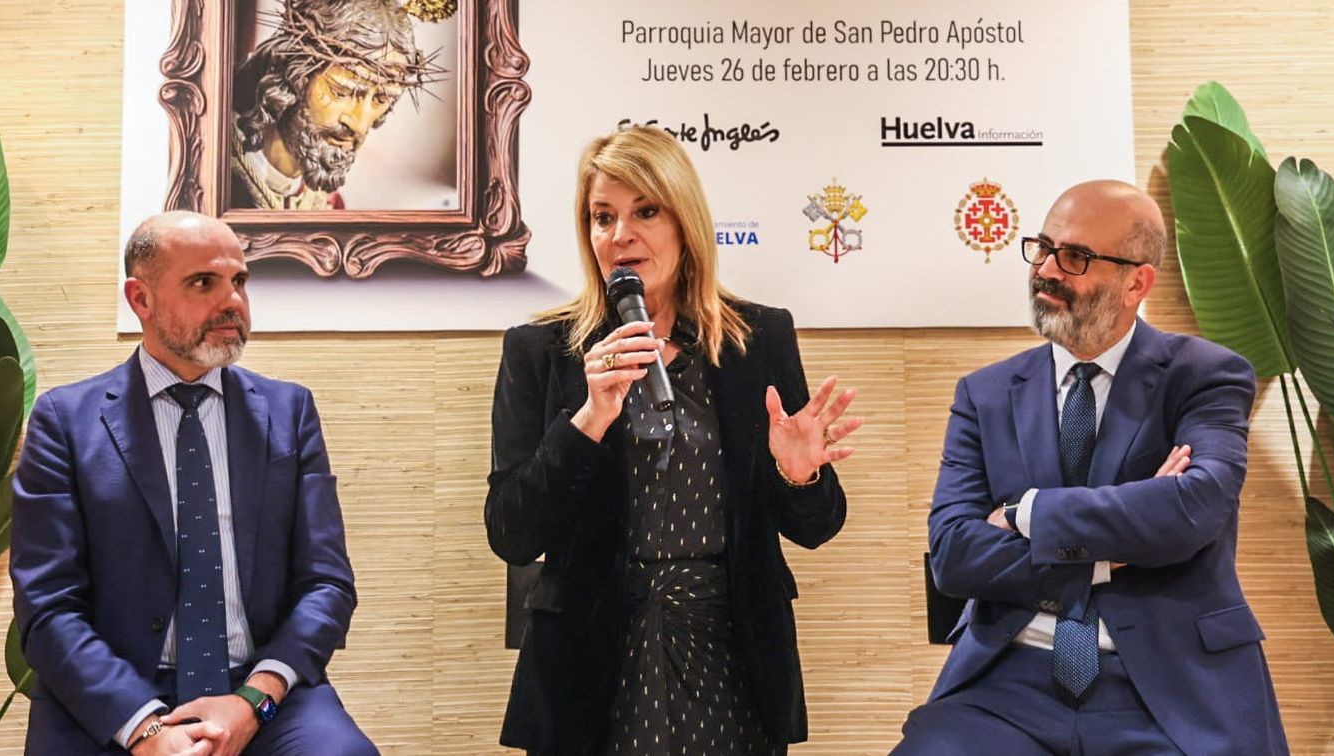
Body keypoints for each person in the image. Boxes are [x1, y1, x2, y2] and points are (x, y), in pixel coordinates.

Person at [485, 125, 862, 755]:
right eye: (602, 217)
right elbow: (512, 533)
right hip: (590, 658)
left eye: (645, 212)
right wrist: (588, 419)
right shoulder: (541, 351)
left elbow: (816, 526)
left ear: (685, 221)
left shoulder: (757, 339)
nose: (620, 235)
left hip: (733, 653)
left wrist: (799, 475)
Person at [895, 181, 1288, 755]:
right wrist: (1108, 554)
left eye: (1075, 257)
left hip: (1172, 687)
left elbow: (1193, 509)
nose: (1046, 270)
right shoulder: (986, 394)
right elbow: (954, 555)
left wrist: (1025, 512)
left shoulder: (1204, 376)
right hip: (1007, 683)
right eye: (1043, 248)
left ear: (1137, 283)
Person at [10, 211, 378, 755]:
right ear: (141, 299)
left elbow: (327, 584)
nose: (232, 301)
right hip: (113, 697)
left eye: (239, 281)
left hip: (259, 689)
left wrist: (254, 701)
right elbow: (47, 607)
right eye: (204, 282)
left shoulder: (289, 411)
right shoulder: (65, 422)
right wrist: (145, 729)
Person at [229, 0, 457, 211]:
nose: (359, 124)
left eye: (381, 99)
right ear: (293, 74)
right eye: (342, 91)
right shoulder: (217, 176)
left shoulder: (329, 206)